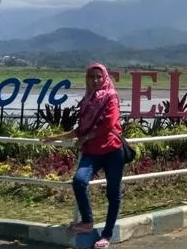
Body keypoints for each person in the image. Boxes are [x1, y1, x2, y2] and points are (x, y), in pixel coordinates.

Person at [41, 63, 124, 249]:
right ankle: (87, 221)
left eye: (99, 77)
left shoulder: (111, 96)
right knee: (79, 181)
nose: (95, 80)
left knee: (113, 194)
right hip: (92, 152)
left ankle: (106, 235)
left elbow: (108, 124)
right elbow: (81, 130)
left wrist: (85, 138)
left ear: (105, 78)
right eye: (91, 77)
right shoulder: (88, 101)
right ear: (87, 79)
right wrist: (55, 138)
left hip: (113, 151)